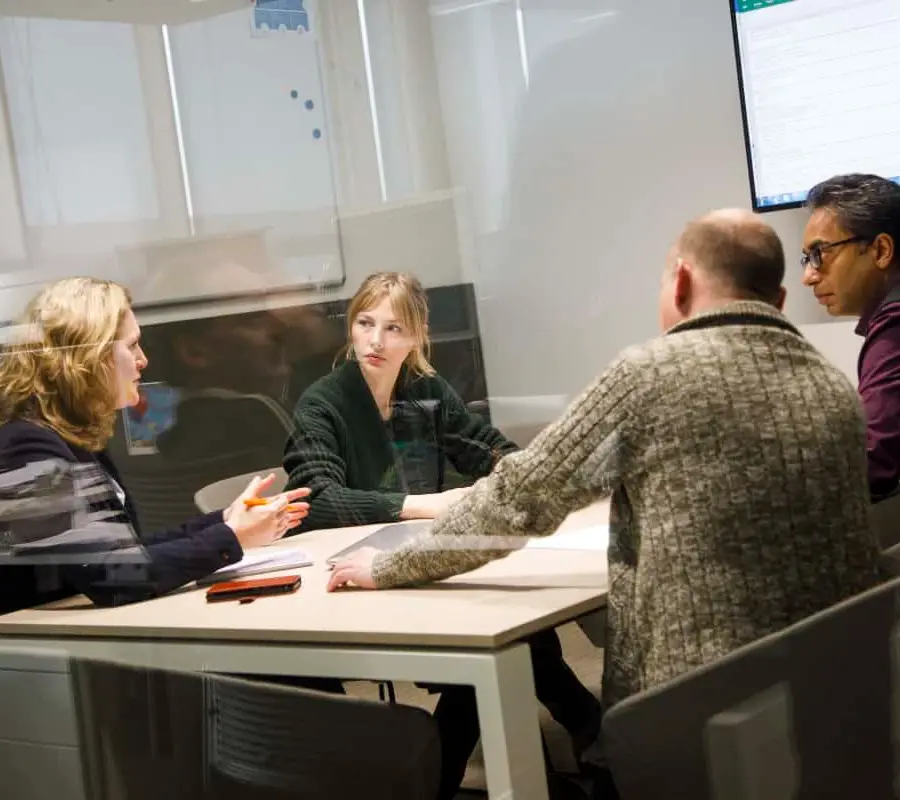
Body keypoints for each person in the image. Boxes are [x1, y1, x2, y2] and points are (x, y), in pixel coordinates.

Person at [326, 212, 881, 796]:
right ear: (780, 297)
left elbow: (518, 498)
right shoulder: (831, 384)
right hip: (833, 708)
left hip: (691, 712)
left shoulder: (648, 376)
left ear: (682, 283)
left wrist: (389, 566)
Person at [283, 271, 602, 798]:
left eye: (393, 327)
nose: (376, 340)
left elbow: (490, 450)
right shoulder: (324, 403)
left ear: (417, 335)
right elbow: (315, 501)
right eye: (365, 323)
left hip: (419, 564)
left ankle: (453, 775)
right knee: (510, 639)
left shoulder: (425, 391)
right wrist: (420, 505)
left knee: (511, 633)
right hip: (351, 578)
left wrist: (533, 476)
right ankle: (590, 736)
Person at [0, 277, 310, 614]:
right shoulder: (25, 447)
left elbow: (124, 552)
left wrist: (225, 521)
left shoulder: (68, 435)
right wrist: (231, 536)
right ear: (88, 356)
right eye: (131, 346)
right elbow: (115, 577)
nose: (143, 360)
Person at [801, 173, 900, 501]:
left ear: (881, 250)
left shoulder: (895, 329)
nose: (808, 277)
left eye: (820, 253)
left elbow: (872, 463)